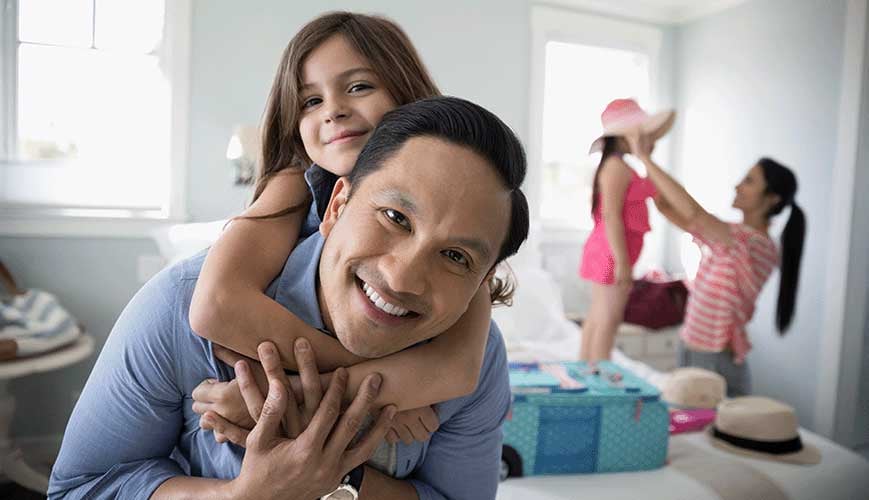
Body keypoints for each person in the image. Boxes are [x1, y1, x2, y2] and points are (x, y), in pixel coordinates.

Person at [48, 96, 529, 500]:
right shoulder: (178, 308)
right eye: (395, 218)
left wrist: (340, 476)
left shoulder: (479, 359)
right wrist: (244, 495)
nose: (402, 278)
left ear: (483, 282)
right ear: (337, 205)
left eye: (455, 256)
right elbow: (79, 488)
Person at [187, 12, 495, 440]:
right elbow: (216, 306)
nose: (333, 111)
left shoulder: (451, 221)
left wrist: (307, 389)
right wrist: (383, 385)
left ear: (409, 96)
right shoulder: (294, 182)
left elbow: (455, 370)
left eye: (359, 87)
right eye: (311, 101)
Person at [627, 131, 805, 397]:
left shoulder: (757, 246)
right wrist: (645, 163)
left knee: (712, 432)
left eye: (749, 181)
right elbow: (668, 207)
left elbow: (694, 213)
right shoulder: (730, 236)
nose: (737, 186)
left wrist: (645, 158)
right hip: (691, 346)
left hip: (716, 358)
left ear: (773, 197)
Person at [578, 98, 675, 364]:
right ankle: (598, 372)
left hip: (612, 248)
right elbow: (611, 215)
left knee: (600, 314)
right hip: (612, 250)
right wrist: (622, 262)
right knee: (608, 317)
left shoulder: (620, 166)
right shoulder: (616, 168)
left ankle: (587, 368)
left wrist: (647, 154)